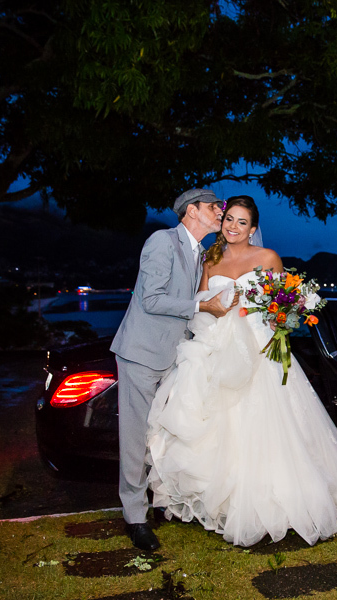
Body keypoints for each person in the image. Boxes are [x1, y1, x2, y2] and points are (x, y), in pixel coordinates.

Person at [146, 195, 337, 547]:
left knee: (266, 424)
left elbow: (281, 303)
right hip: (215, 347)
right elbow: (199, 304)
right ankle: (222, 503)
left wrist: (281, 318)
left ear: (253, 229)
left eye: (242, 222)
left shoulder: (267, 258)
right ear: (222, 223)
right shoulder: (210, 258)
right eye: (229, 220)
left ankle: (273, 502)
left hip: (258, 350)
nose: (233, 227)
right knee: (213, 424)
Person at [110, 188, 236, 552]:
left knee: (167, 434)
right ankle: (135, 517)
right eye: (215, 207)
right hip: (142, 353)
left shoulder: (200, 253)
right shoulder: (162, 241)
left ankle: (164, 499)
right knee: (134, 437)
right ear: (192, 211)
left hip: (175, 355)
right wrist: (204, 308)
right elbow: (151, 299)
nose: (220, 213)